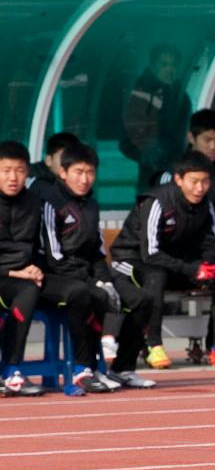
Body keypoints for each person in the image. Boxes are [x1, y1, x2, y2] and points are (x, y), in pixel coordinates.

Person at [110, 151, 215, 368]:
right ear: (178, 179)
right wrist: (189, 269)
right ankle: (153, 346)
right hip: (132, 260)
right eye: (194, 181)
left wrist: (206, 266)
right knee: (155, 276)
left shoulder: (206, 203)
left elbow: (213, 244)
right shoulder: (156, 202)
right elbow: (150, 253)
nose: (200, 188)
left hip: (175, 265)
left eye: (205, 181)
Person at [39, 143, 156, 390]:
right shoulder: (51, 202)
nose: (85, 179)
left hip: (89, 274)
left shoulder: (91, 205)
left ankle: (124, 367)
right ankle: (87, 368)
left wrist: (105, 279)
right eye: (78, 172)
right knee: (92, 295)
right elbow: (54, 257)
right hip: (59, 276)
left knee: (142, 299)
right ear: (63, 172)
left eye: (90, 173)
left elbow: (98, 251)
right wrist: (95, 283)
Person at [0, 141, 47, 396]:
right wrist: (11, 271)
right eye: (6, 170)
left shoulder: (33, 202)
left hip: (19, 276)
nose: (13, 177)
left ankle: (11, 369)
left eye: (19, 170)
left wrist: (36, 269)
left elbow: (38, 245)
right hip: (7, 273)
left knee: (30, 290)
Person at [120, 44, 192, 192]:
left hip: (175, 166)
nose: (169, 69)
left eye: (173, 65)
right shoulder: (141, 94)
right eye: (164, 64)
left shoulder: (181, 96)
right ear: (153, 66)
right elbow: (134, 132)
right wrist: (154, 158)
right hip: (152, 168)